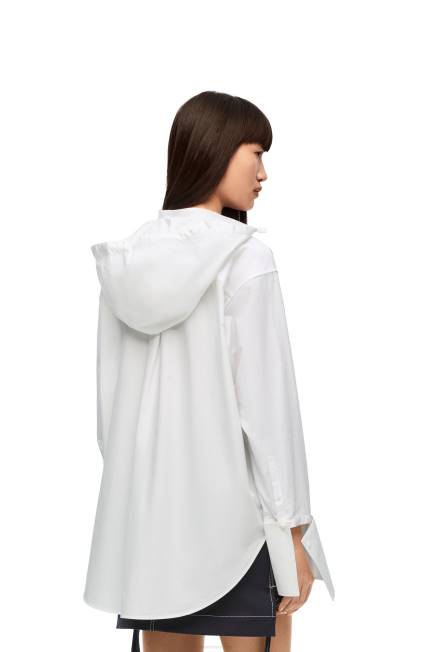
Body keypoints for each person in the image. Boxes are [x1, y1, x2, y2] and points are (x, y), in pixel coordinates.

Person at [83, 90, 335, 652]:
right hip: (241, 530)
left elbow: (110, 418)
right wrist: (294, 532)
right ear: (217, 150)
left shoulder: (127, 263)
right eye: (256, 153)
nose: (264, 173)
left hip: (152, 532)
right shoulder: (245, 258)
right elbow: (269, 413)